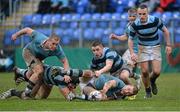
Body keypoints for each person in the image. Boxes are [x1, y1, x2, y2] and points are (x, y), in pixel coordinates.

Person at [11, 27, 70, 98]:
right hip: (28, 52)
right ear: (48, 40)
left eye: (57, 44)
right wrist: (16, 35)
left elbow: (65, 61)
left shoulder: (57, 49)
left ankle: (19, 72)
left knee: (31, 75)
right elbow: (27, 30)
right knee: (39, 70)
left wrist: (66, 74)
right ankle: (27, 93)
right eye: (53, 43)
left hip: (38, 58)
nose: (54, 46)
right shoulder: (39, 37)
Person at [128, 4, 172, 98]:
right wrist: (132, 53)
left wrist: (168, 45)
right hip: (142, 48)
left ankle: (152, 81)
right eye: (140, 14)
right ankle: (148, 91)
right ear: (137, 14)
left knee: (156, 72)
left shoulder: (155, 20)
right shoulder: (135, 24)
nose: (142, 16)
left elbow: (166, 31)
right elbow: (130, 39)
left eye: (144, 14)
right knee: (144, 72)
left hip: (155, 46)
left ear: (148, 13)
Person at [0, 65, 93, 100]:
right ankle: (13, 91)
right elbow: (69, 97)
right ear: (69, 80)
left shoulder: (72, 74)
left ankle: (21, 73)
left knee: (43, 97)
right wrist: (88, 98)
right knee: (28, 97)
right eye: (72, 85)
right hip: (41, 77)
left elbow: (88, 73)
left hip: (48, 80)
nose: (73, 87)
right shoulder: (61, 79)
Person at [110, 8, 141, 90]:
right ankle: (134, 79)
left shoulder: (141, 25)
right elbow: (126, 37)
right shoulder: (128, 25)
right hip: (131, 51)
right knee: (122, 69)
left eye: (134, 16)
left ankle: (133, 90)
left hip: (141, 51)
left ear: (137, 16)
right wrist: (116, 37)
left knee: (125, 74)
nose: (132, 17)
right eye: (130, 16)